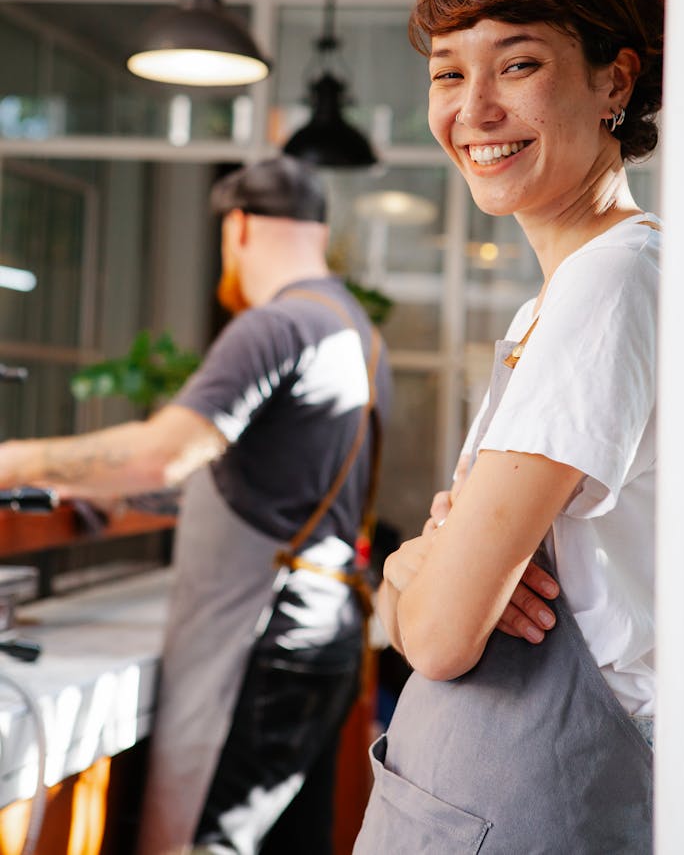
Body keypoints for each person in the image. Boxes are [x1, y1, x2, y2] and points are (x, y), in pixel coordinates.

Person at [355, 0, 664, 853]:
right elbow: (435, 596)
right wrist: (416, 571)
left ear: (615, 78)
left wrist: (414, 580)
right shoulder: (563, 294)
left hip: (534, 801)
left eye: (518, 64)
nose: (474, 109)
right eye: (450, 72)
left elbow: (445, 631)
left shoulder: (611, 281)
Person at [0, 154, 393, 854]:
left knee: (209, 844)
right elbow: (254, 479)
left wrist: (17, 460)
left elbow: (167, 452)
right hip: (326, 634)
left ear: (237, 227)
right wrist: (93, 490)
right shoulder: (357, 329)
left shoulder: (276, 325)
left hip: (263, 641)